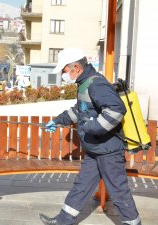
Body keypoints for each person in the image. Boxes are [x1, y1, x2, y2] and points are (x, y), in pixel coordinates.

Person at [40, 48, 141, 225]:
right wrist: (57, 121)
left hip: (108, 150)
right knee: (82, 186)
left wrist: (91, 128)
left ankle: (133, 223)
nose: (63, 75)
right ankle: (63, 221)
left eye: (64, 71)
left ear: (76, 68)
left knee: (118, 190)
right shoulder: (84, 83)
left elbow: (116, 110)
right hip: (95, 149)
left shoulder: (96, 84)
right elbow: (80, 111)